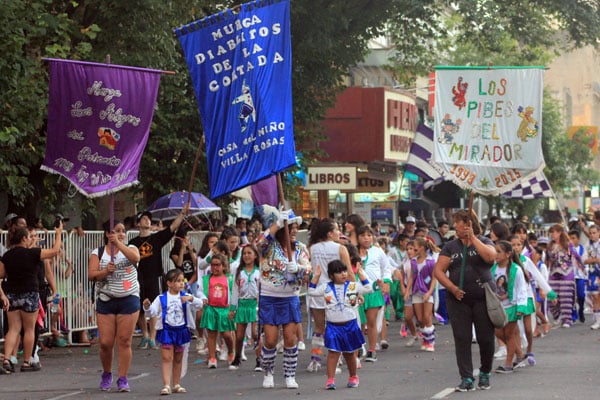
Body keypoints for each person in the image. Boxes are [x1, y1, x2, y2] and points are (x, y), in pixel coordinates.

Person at [433, 209, 496, 392]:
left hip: (483, 297)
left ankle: (485, 372)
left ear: (468, 224)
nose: (454, 226)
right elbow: (438, 271)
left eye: (457, 223)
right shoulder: (450, 247)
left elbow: (490, 257)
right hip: (458, 299)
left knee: (485, 338)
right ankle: (466, 377)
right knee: (462, 338)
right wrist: (452, 288)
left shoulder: (484, 241)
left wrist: (473, 239)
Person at [255, 205, 309, 389]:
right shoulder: (269, 247)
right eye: (290, 226)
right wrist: (278, 223)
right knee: (270, 340)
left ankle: (289, 375)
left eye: (295, 227)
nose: (294, 231)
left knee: (290, 338)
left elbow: (308, 270)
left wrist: (299, 269)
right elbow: (259, 242)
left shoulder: (300, 249)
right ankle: (268, 372)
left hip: (290, 297)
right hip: (269, 297)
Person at [0, 221, 63, 373]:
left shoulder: (7, 256)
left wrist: (2, 295)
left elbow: (1, 276)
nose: (30, 239)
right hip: (30, 293)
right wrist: (59, 232)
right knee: (29, 329)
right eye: (28, 237)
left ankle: (7, 359)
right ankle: (27, 361)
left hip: (13, 294)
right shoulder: (34, 253)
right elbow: (55, 251)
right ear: (23, 239)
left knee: (13, 328)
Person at [88, 220, 141, 392]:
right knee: (105, 343)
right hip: (106, 299)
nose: (121, 233)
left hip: (129, 298)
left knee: (124, 341)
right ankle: (106, 373)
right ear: (107, 233)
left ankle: (123, 378)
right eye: (116, 231)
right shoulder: (98, 252)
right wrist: (105, 272)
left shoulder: (131, 248)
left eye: (123, 231)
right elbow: (91, 275)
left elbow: (136, 259)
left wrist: (118, 243)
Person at [308, 260, 374, 390]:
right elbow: (311, 291)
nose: (343, 274)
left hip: (350, 325)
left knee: (350, 353)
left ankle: (353, 376)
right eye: (339, 272)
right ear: (331, 275)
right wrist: (316, 277)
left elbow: (368, 288)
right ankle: (330, 379)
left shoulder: (352, 286)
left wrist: (361, 273)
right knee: (333, 353)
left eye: (344, 271)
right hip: (333, 326)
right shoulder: (326, 287)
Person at [129, 207, 187, 350]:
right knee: (140, 308)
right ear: (138, 223)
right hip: (138, 277)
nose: (147, 220)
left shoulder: (156, 238)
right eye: (143, 218)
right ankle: (145, 335)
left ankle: (153, 338)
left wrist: (182, 214)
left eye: (149, 218)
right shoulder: (133, 242)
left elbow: (172, 227)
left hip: (154, 276)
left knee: (154, 307)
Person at [142, 269, 203, 395]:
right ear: (169, 283)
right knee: (166, 357)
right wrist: (147, 307)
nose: (181, 284)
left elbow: (200, 304)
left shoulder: (185, 296)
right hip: (167, 330)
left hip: (181, 330)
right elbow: (152, 312)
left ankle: (176, 383)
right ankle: (166, 385)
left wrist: (191, 298)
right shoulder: (161, 298)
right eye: (177, 281)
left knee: (178, 358)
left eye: (182, 281)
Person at [306, 218, 352, 373]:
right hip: (335, 293)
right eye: (337, 229)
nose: (339, 232)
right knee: (335, 327)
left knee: (319, 327)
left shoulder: (312, 248)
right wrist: (354, 290)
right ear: (330, 233)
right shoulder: (340, 248)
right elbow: (349, 272)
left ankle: (315, 360)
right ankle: (336, 360)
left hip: (317, 292)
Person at [491, 240, 528, 374]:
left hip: (512, 306)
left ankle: (508, 364)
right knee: (498, 332)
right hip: (498, 308)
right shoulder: (493, 268)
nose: (496, 254)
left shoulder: (516, 269)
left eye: (499, 251)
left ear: (508, 254)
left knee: (509, 334)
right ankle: (519, 354)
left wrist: (521, 307)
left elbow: (521, 289)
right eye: (495, 251)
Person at [356, 225, 391, 362]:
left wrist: (386, 282)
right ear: (357, 237)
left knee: (372, 321)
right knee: (357, 323)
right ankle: (358, 347)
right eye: (363, 235)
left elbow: (386, 267)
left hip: (374, 291)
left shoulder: (378, 251)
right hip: (357, 291)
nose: (366, 238)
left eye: (369, 235)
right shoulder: (351, 251)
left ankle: (371, 350)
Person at [197, 253, 235, 369]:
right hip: (211, 309)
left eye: (217, 265)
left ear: (223, 266)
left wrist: (233, 309)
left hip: (225, 310)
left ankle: (231, 351)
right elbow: (200, 291)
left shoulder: (229, 278)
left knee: (227, 334)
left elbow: (234, 294)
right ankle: (212, 358)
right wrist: (203, 298)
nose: (215, 268)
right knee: (211, 334)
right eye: (212, 265)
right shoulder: (207, 279)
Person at [228, 244, 261, 371]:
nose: (247, 256)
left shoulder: (259, 272)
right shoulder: (239, 272)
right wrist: (233, 308)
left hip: (255, 305)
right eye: (244, 253)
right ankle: (237, 357)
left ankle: (259, 360)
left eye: (249, 253)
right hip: (242, 304)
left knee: (255, 333)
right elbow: (235, 290)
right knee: (240, 335)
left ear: (255, 255)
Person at [546, 224, 583, 328]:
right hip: (553, 273)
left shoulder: (568, 245)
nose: (552, 234)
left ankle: (567, 319)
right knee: (551, 296)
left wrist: (582, 267)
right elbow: (547, 261)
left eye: (554, 232)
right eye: (551, 232)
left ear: (560, 232)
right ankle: (557, 315)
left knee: (566, 297)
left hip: (566, 273)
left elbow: (576, 256)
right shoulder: (549, 246)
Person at [405, 237, 438, 352]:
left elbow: (434, 278)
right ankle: (425, 338)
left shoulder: (431, 262)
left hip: (427, 292)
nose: (413, 249)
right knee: (419, 319)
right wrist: (407, 290)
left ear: (422, 248)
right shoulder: (413, 262)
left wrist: (429, 292)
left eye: (415, 247)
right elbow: (411, 277)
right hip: (416, 292)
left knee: (427, 316)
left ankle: (430, 341)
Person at [584, 225, 600, 329]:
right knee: (595, 297)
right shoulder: (587, 245)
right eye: (590, 233)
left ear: (599, 233)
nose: (592, 235)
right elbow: (584, 260)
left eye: (594, 233)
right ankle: (597, 320)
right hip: (593, 274)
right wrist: (594, 260)